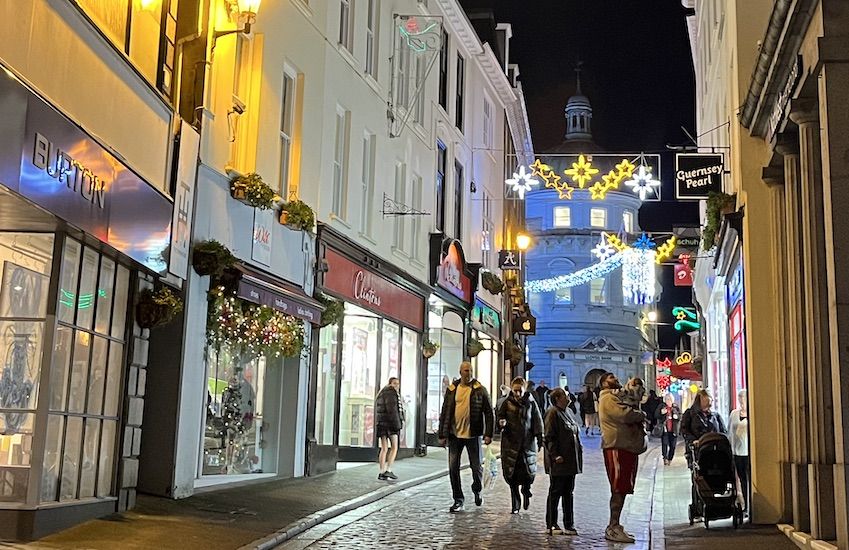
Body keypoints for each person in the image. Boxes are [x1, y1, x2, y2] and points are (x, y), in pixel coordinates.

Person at [438, 361, 495, 513]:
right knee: (453, 468)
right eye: (465, 370)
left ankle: (477, 489)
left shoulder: (480, 390)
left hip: (473, 435)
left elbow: (489, 413)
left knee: (476, 468)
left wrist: (489, 434)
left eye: (470, 370)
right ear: (460, 372)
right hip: (454, 435)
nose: (468, 373)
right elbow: (445, 413)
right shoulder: (452, 390)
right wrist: (442, 435)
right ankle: (458, 499)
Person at [598, 372, 647, 544]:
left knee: (623, 487)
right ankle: (613, 527)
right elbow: (625, 415)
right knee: (618, 487)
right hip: (616, 446)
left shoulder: (616, 395)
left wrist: (634, 385)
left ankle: (616, 525)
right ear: (604, 384)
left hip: (625, 446)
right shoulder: (607, 399)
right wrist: (640, 415)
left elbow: (632, 395)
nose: (615, 379)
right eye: (611, 377)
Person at [497, 377, 543, 514]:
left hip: (526, 444)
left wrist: (540, 438)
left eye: (520, 391)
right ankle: (515, 504)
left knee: (528, 474)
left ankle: (526, 491)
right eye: (515, 390)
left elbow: (537, 421)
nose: (517, 394)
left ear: (524, 390)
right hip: (510, 444)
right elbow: (499, 417)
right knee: (512, 477)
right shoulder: (506, 403)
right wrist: (501, 423)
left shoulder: (530, 403)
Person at [544, 387, 583, 536]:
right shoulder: (553, 413)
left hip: (570, 461)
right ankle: (552, 523)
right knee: (555, 492)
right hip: (559, 461)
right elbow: (549, 437)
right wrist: (555, 455)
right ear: (557, 399)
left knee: (568, 492)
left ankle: (569, 524)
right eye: (565, 396)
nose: (568, 398)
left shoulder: (567, 412)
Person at [680, 390, 726, 468]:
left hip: (715, 450)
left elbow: (723, 431)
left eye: (709, 402)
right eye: (705, 402)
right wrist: (693, 440)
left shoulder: (715, 415)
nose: (707, 405)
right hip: (698, 450)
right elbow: (684, 430)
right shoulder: (690, 414)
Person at [375, 377, 405, 480]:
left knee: (384, 448)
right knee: (394, 447)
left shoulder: (381, 393)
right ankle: (389, 469)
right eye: (395, 383)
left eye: (398, 383)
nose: (397, 386)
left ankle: (381, 471)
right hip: (391, 425)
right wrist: (397, 424)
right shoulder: (392, 393)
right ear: (390, 383)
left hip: (382, 424)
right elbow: (392, 410)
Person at [729, 389, 750, 514]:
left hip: (748, 451)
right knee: (741, 478)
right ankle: (744, 505)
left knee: (748, 477)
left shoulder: (752, 413)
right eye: (739, 398)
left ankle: (749, 504)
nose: (741, 401)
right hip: (736, 451)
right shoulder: (734, 414)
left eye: (743, 398)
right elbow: (730, 430)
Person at [655, 394, 681, 465]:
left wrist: (677, 416)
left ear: (672, 400)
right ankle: (665, 458)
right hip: (665, 429)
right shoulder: (661, 406)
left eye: (669, 399)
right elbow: (656, 415)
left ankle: (670, 458)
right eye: (667, 399)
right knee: (665, 444)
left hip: (673, 430)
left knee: (673, 446)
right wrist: (661, 413)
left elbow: (680, 415)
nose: (668, 401)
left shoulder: (675, 407)